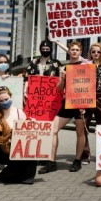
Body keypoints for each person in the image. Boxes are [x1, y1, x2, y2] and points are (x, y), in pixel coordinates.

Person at [39, 41, 87, 174]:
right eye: (72, 50)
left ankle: (77, 160)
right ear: (69, 51)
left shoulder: (86, 66)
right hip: (67, 103)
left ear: (80, 52)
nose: (75, 52)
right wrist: (62, 79)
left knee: (80, 133)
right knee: (53, 130)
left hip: (81, 103)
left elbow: (89, 87)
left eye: (77, 50)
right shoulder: (64, 68)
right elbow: (60, 89)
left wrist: (84, 105)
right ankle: (51, 161)